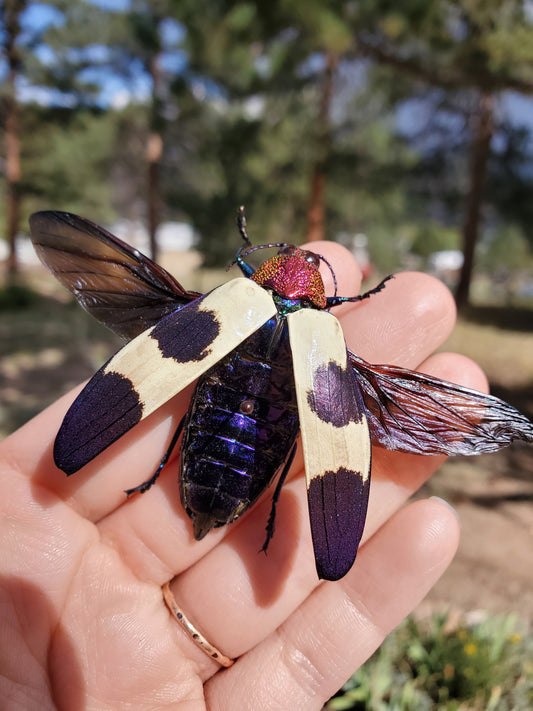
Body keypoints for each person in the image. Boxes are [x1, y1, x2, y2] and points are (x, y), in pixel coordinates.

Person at [1, 241, 488, 710]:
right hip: (260, 447)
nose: (302, 259)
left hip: (215, 422)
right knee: (287, 430)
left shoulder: (236, 298)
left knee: (201, 401)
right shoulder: (320, 327)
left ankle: (175, 482)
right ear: (326, 300)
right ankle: (261, 501)